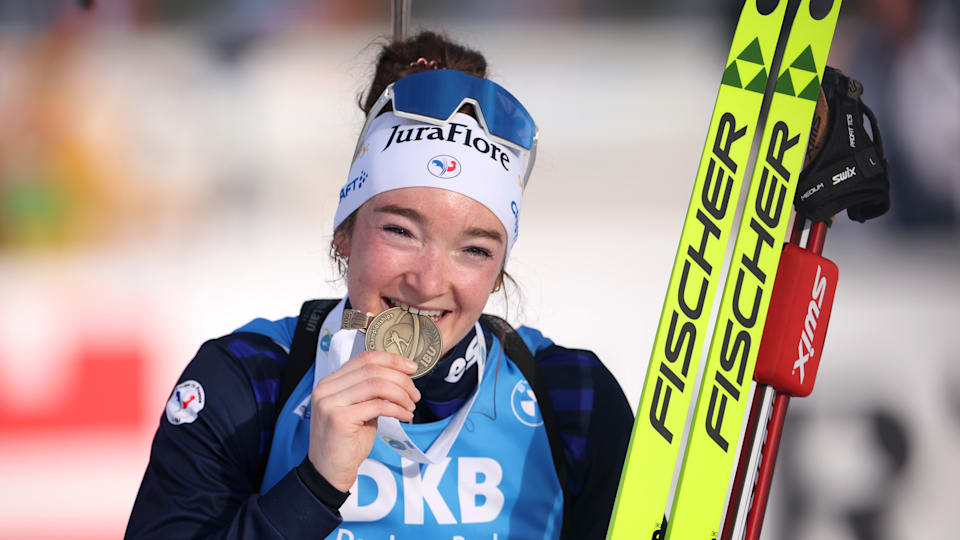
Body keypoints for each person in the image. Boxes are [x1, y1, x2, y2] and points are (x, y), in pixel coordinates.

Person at [125, 31, 633, 539]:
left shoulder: (572, 399)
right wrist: (314, 488)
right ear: (344, 231)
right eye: (400, 231)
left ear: (499, 271)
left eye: (475, 250)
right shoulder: (250, 383)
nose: (428, 281)